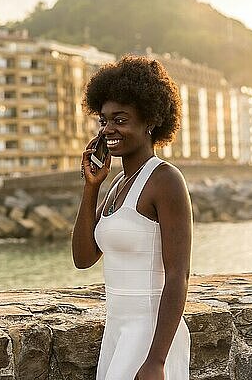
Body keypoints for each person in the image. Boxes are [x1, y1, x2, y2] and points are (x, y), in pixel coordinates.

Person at [71, 55, 192, 380]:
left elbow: (178, 275)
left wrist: (156, 361)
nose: (109, 129)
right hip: (118, 330)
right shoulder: (116, 185)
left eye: (120, 120)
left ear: (149, 121)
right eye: (104, 120)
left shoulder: (165, 180)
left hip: (151, 335)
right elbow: (83, 258)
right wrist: (91, 186)